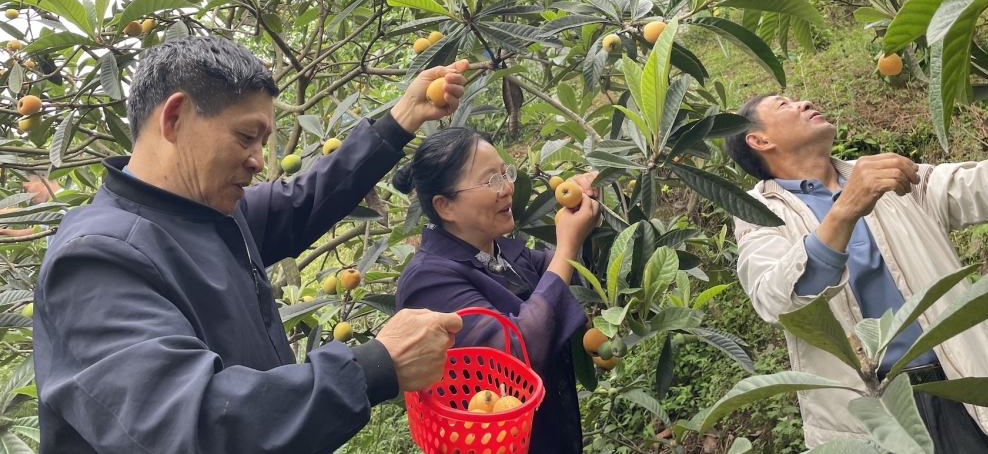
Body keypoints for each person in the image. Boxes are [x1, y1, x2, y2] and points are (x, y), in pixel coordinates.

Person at [35, 36, 470, 454]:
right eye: (246, 137)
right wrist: (373, 366)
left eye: (263, 142)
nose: (260, 160)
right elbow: (194, 425)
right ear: (174, 119)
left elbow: (308, 197)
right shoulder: (96, 258)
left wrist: (402, 118)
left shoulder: (212, 212)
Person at [724, 94, 988, 451]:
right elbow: (777, 300)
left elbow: (981, 185)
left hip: (961, 377)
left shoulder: (884, 174)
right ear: (760, 141)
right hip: (875, 412)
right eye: (784, 105)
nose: (804, 102)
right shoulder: (758, 213)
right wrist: (846, 209)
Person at [393, 127, 601, 454]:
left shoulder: (500, 252)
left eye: (506, 173)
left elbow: (575, 279)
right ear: (445, 206)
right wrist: (567, 245)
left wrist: (586, 218)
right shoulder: (427, 282)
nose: (507, 188)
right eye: (492, 181)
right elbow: (513, 357)